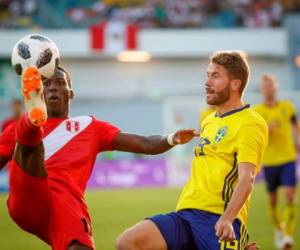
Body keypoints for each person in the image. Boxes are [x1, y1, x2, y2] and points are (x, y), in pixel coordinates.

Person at [0, 66, 198, 250]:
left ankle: (31, 124)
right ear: (40, 93)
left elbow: (144, 143)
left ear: (71, 93)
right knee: (30, 144)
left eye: (60, 83)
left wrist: (172, 138)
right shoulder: (13, 130)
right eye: (47, 84)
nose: (53, 88)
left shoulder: (90, 127)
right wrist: (30, 126)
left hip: (64, 205)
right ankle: (31, 123)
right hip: (28, 195)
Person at [116, 50, 268, 250]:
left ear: (235, 84)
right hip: (186, 214)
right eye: (207, 75)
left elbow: (247, 178)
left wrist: (227, 219)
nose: (207, 82)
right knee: (128, 242)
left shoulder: (250, 123)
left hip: (217, 220)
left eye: (215, 76)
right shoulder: (209, 120)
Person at [254, 74, 299, 250]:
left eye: (271, 85)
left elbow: (295, 124)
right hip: (270, 161)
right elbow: (257, 136)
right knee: (273, 201)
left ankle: (287, 235)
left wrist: (298, 140)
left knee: (289, 196)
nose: (269, 88)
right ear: (262, 90)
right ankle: (279, 229)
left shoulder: (287, 106)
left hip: (288, 158)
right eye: (265, 86)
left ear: (276, 87)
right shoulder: (257, 111)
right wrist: (267, 130)